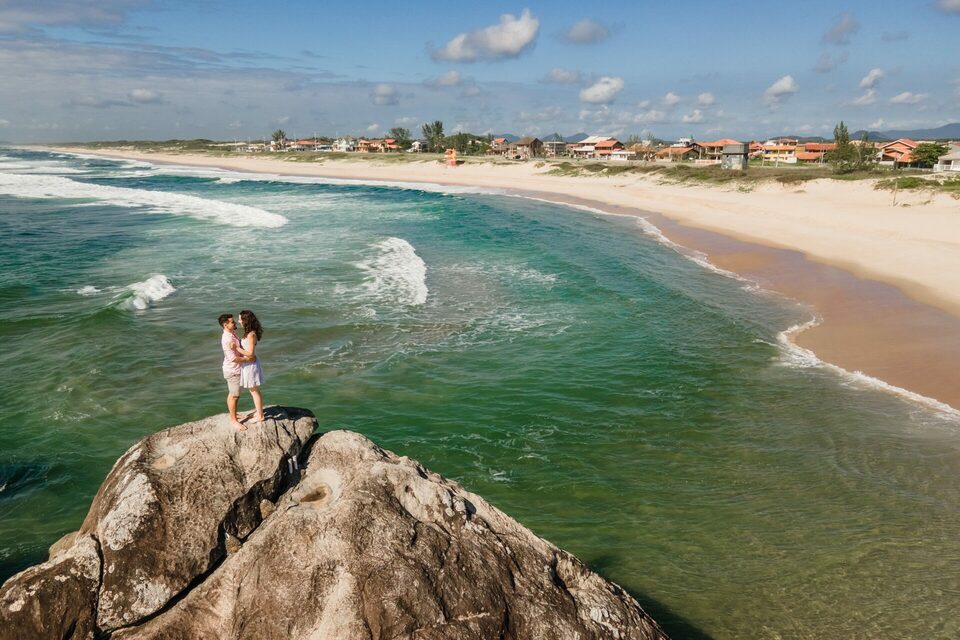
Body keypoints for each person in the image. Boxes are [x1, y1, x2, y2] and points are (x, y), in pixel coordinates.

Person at [218, 313, 253, 431]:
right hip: (233, 371)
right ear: (225, 325)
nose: (235, 323)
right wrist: (248, 359)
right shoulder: (227, 339)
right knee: (235, 396)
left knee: (231, 394)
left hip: (233, 369)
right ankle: (233, 420)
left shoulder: (232, 333)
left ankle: (232, 414)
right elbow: (233, 358)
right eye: (232, 322)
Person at [236, 309, 265, 423]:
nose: (238, 321)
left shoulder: (251, 334)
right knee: (253, 390)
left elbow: (251, 353)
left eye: (240, 319)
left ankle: (260, 415)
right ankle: (259, 412)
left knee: (254, 390)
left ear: (245, 320)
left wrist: (236, 348)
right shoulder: (248, 333)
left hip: (251, 365)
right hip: (248, 364)